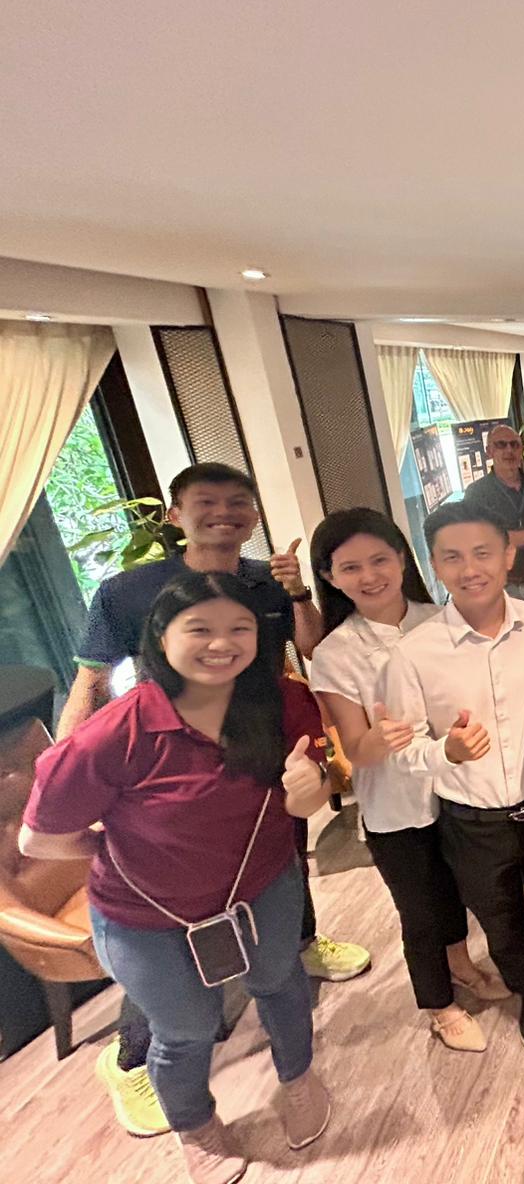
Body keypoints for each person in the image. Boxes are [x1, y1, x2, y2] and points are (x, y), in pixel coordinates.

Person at [59, 463, 364, 1139]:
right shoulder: (127, 591)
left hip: (261, 755)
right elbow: (90, 685)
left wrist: (297, 590)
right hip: (170, 774)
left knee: (279, 867)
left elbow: (308, 648)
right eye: (206, 502)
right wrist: (76, 776)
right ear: (175, 515)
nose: (224, 512)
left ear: (252, 514)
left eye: (237, 502)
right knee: (168, 936)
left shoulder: (264, 581)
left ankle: (297, 946)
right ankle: (133, 1058)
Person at [21, 572, 334, 1184]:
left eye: (239, 628)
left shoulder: (282, 701)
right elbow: (39, 839)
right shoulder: (115, 732)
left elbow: (305, 803)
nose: (222, 643)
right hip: (146, 916)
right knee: (185, 1027)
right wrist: (123, 849)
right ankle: (196, 1126)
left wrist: (308, 787)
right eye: (200, 629)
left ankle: (298, 1080)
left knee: (281, 985)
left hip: (262, 885)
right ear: (160, 639)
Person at [384, 502, 524, 1054]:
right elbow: (402, 752)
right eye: (452, 557)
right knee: (500, 919)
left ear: (508, 555)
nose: (469, 568)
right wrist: (446, 751)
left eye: (482, 552)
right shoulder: (413, 653)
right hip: (471, 820)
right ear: (434, 565)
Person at [305, 508, 509, 1054]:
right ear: (329, 577)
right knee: (420, 912)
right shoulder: (334, 652)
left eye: (380, 560)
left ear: (402, 559)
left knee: (456, 893)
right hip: (395, 806)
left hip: (459, 791)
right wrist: (382, 737)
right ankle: (439, 1006)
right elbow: (355, 751)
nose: (369, 576)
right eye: (350, 568)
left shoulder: (440, 619)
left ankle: (461, 964)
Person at [462, 424, 524, 600]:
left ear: (522, 449)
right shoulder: (476, 494)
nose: (509, 450)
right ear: (489, 451)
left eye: (515, 444)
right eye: (501, 444)